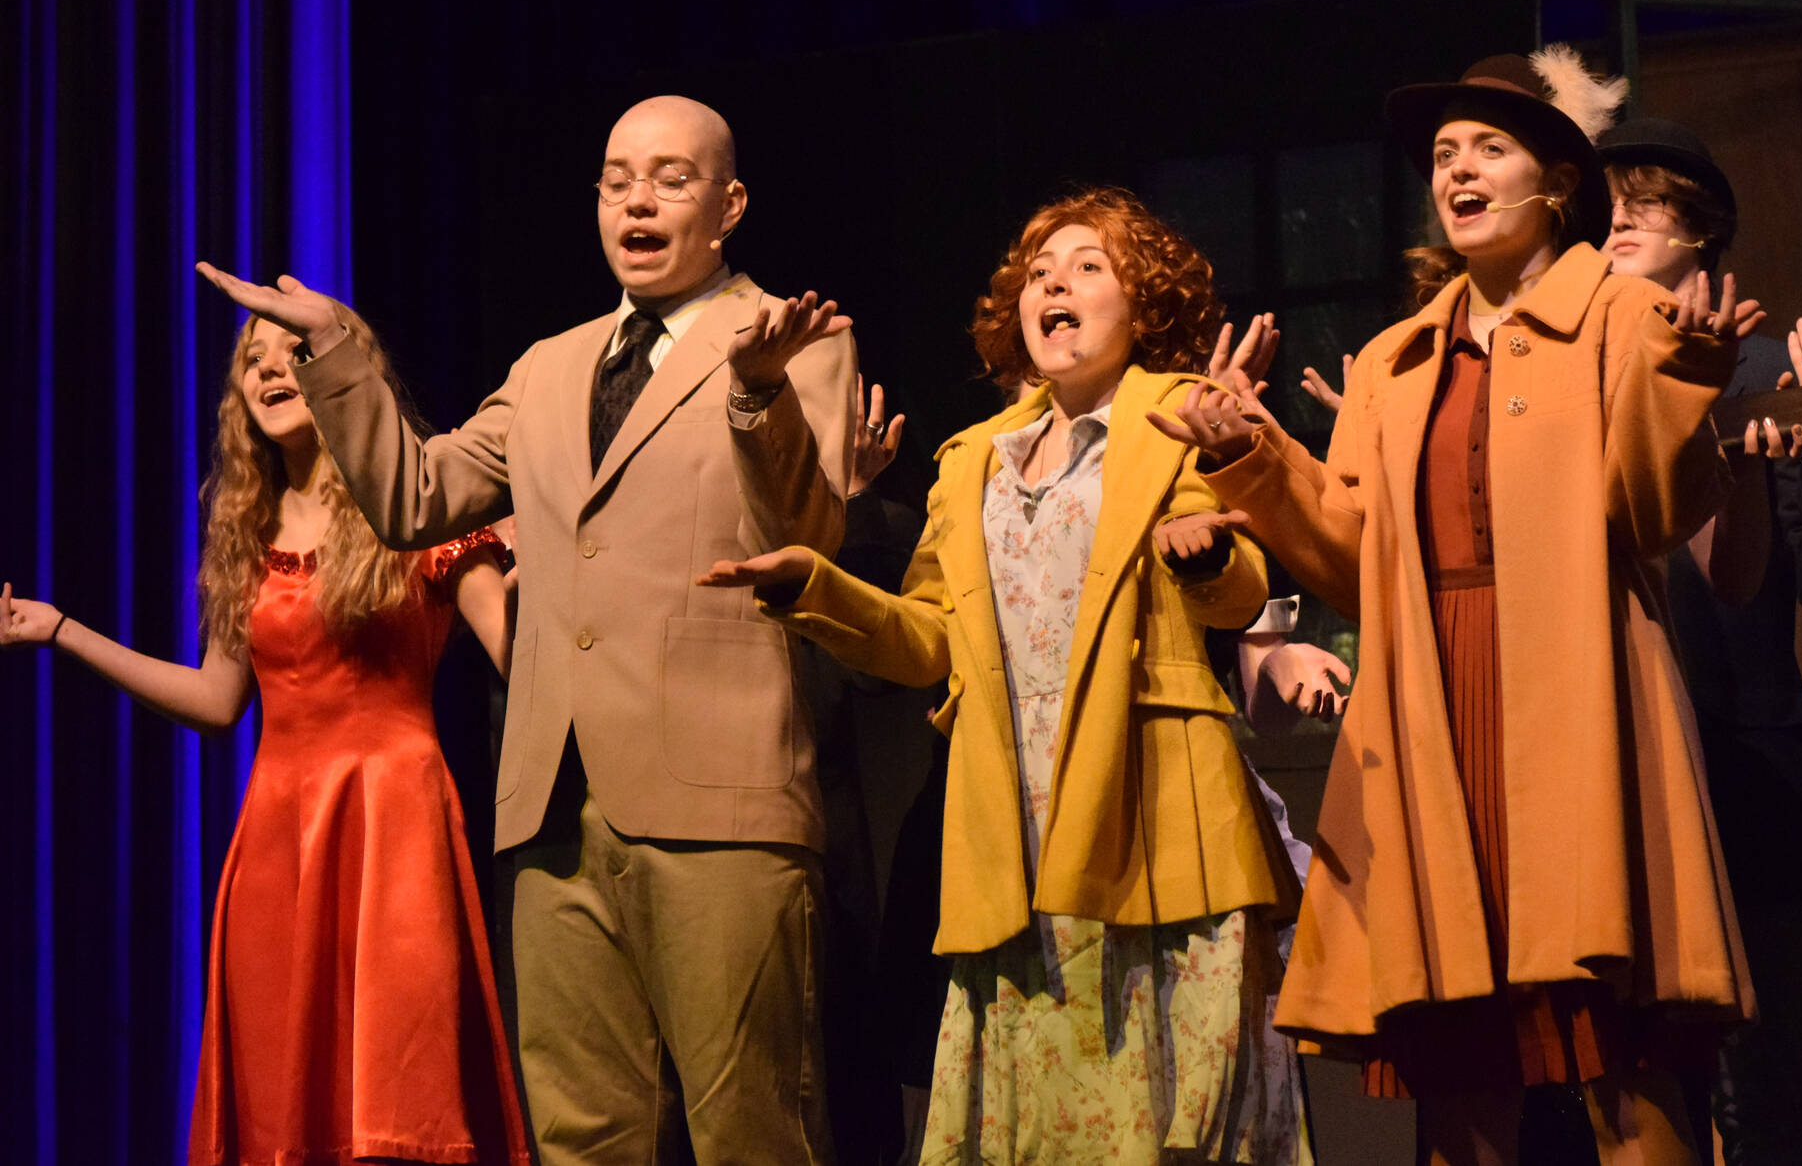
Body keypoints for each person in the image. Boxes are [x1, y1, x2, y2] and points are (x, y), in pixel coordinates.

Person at [198, 94, 860, 1165]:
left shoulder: (797, 341)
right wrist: (333, 354)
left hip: (719, 798)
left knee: (750, 1133)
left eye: (670, 178)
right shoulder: (550, 365)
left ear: (728, 204)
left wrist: (752, 394)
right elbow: (415, 497)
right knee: (580, 1135)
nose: (636, 199)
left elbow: (809, 530)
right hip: (553, 809)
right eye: (616, 178)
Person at [1156, 47, 1759, 1166]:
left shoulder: (1624, 320)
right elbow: (1349, 560)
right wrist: (1251, 457)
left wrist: (1684, 385)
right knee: (1458, 1061)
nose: (1458, 171)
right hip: (1434, 713)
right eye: (1442, 156)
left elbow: (1652, 514)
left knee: (1619, 1059)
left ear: (1555, 184)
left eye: (1489, 148)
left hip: (1577, 703)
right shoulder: (1394, 359)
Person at [699, 188, 1312, 1165]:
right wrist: (814, 588)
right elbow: (926, 642)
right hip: (1009, 842)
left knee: (1170, 1132)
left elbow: (1239, 594)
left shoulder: (1178, 415)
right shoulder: (970, 463)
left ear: (1144, 304)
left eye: (1087, 267)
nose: (1054, 284)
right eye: (1037, 274)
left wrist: (1202, 557)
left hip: (1157, 830)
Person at [1, 310, 526, 1165]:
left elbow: (514, 649)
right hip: (278, 851)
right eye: (255, 359)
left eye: (298, 350)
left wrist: (539, 561)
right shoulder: (245, 537)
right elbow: (218, 700)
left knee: (399, 1105)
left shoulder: (424, 511)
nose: (273, 368)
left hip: (395, 839)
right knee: (288, 1115)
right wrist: (59, 627)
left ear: (348, 373)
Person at [1600, 117, 1802, 1166]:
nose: (1617, 220)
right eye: (1601, 205)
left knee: (1763, 1095)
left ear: (1701, 233)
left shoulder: (1770, 370)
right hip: (1609, 779)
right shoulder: (1571, 376)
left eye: (1646, 204)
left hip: (1744, 777)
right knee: (1631, 1097)